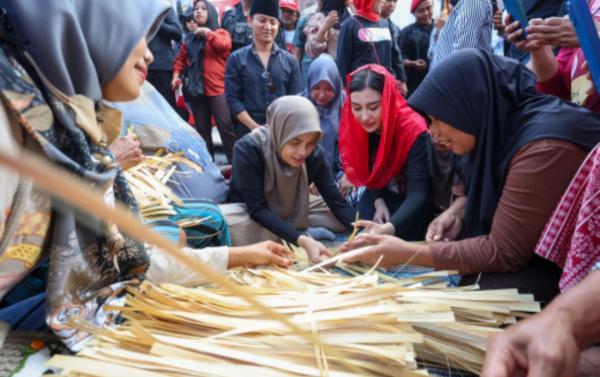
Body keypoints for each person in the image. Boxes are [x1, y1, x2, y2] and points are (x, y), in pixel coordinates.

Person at [0, 0, 292, 349]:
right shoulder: (15, 127)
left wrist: (242, 256)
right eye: (137, 34)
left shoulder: (68, 129)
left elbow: (129, 263)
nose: (151, 55)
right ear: (90, 29)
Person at [341, 49, 600, 303]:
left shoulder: (543, 147)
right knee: (472, 275)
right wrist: (457, 212)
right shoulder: (498, 128)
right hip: (535, 253)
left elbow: (504, 251)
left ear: (468, 106)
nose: (432, 132)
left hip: (582, 273)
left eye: (437, 119)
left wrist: (406, 253)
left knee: (488, 293)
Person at [228, 96, 356, 263]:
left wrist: (361, 233)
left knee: (336, 215)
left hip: (292, 206)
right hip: (251, 212)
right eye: (295, 142)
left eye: (310, 143)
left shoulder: (315, 154)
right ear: (280, 130)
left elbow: (335, 200)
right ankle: (300, 233)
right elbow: (257, 209)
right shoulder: (248, 148)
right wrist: (301, 240)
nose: (302, 152)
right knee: (231, 227)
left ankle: (292, 231)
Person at [339, 65, 433, 240]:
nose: (364, 117)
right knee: (360, 229)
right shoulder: (359, 128)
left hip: (411, 201)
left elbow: (418, 194)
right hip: (382, 194)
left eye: (373, 107)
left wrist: (388, 228)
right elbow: (370, 174)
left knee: (390, 238)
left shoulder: (413, 129)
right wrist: (378, 201)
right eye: (357, 108)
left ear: (388, 100)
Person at [225, 0, 302, 138]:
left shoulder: (290, 61)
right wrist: (254, 127)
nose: (268, 27)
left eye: (273, 22)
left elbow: (295, 98)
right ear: (249, 20)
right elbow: (232, 99)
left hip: (281, 130)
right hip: (247, 131)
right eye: (262, 20)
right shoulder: (236, 59)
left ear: (278, 25)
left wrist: (279, 127)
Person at [504, 2, 600, 113]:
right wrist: (538, 48)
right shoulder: (584, 6)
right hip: (574, 121)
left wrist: (593, 36)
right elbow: (557, 89)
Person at [172, 0, 237, 162]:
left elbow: (224, 45)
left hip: (218, 89)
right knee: (202, 131)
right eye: (196, 9)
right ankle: (209, 168)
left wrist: (208, 34)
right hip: (197, 90)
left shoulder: (220, 33)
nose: (198, 11)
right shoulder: (190, 38)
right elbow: (181, 59)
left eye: (203, 8)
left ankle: (236, 167)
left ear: (211, 13)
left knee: (225, 128)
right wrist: (175, 76)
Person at [336, 0, 407, 95]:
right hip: (361, 88)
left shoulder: (385, 24)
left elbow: (395, 55)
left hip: (385, 85)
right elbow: (343, 61)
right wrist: (345, 87)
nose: (383, 1)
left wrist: (402, 80)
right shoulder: (349, 26)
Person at [297, 0, 350, 83]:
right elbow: (312, 50)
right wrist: (324, 29)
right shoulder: (318, 19)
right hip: (323, 76)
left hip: (345, 76)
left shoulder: (350, 18)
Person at [430, 0, 493, 68]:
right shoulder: (453, 5)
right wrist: (438, 30)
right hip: (443, 74)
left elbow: (461, 57)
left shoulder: (473, 2)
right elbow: (432, 55)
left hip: (454, 76)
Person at [147, 8, 184, 116]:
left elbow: (177, 33)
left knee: (167, 110)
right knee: (147, 111)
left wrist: (156, 23)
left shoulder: (164, 7)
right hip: (140, 66)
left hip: (163, 68)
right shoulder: (136, 7)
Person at [400, 0, 433, 96]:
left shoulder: (440, 28)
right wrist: (412, 63)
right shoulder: (406, 32)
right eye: (421, 11)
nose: (426, 13)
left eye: (429, 8)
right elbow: (400, 59)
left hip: (437, 81)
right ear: (414, 13)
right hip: (414, 84)